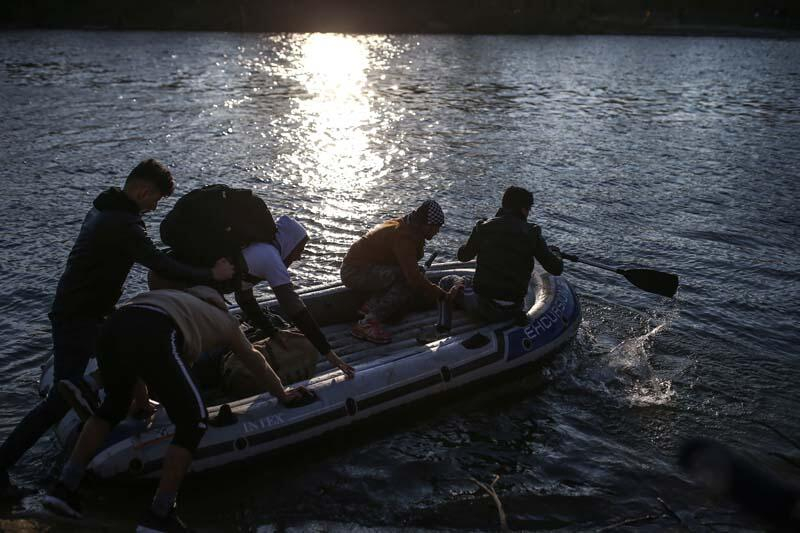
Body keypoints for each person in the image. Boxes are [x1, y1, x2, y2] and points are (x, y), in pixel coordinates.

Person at [0, 160, 234, 500]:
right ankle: (8, 464)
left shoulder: (105, 207)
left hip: (88, 312)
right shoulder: (122, 223)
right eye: (155, 200)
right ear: (142, 191)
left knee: (126, 356)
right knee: (59, 402)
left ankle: (133, 405)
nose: (155, 208)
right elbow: (159, 263)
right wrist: (211, 275)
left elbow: (151, 256)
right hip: (78, 318)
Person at [44, 286, 309, 531]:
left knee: (113, 407)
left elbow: (136, 357)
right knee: (194, 421)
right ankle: (159, 514)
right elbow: (255, 360)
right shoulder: (224, 320)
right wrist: (282, 394)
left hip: (114, 327)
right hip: (158, 331)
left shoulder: (171, 298)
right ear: (219, 303)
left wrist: (141, 402)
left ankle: (64, 489)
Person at [234, 215, 354, 377]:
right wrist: (330, 355)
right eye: (300, 250)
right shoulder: (269, 256)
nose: (299, 257)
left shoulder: (256, 250)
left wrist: (273, 333)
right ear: (289, 243)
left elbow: (245, 300)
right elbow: (295, 309)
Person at [340, 199, 459, 344]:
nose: (437, 232)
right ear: (425, 224)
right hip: (354, 272)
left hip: (368, 268)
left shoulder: (410, 227)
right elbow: (413, 278)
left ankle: (370, 307)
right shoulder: (404, 237)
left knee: (410, 281)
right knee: (408, 279)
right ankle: (366, 324)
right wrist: (441, 295)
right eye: (436, 227)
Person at [447, 186, 563, 324]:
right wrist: (556, 254)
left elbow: (463, 256)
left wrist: (471, 242)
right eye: (529, 210)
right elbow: (556, 268)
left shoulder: (483, 227)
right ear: (523, 209)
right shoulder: (533, 233)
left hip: (483, 307)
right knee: (467, 281)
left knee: (448, 281)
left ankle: (443, 324)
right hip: (513, 309)